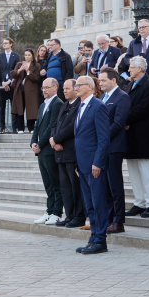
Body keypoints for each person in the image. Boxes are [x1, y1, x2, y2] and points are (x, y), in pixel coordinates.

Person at [73, 76, 111, 255]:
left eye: (78, 85)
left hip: (94, 165)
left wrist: (98, 162)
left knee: (98, 202)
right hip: (83, 164)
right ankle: (93, 237)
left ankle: (100, 240)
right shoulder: (80, 106)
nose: (76, 88)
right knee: (89, 203)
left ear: (89, 87)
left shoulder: (98, 106)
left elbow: (103, 138)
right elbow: (79, 137)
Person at [122, 57, 149, 219]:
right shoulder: (131, 84)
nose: (129, 70)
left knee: (145, 170)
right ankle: (139, 203)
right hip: (131, 134)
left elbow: (143, 108)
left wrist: (125, 119)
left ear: (140, 69)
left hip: (143, 134)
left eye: (131, 67)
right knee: (133, 170)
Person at [97, 67, 131, 233]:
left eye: (103, 80)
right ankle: (108, 218)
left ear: (113, 80)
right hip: (103, 147)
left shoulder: (122, 97)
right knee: (106, 186)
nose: (100, 83)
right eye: (99, 80)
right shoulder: (102, 97)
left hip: (114, 146)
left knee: (115, 184)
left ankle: (118, 220)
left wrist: (102, 138)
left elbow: (118, 123)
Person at [50, 79, 86, 228]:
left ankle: (79, 216)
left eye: (67, 88)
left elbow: (73, 127)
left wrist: (57, 139)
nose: (64, 91)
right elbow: (55, 124)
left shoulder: (79, 105)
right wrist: (53, 140)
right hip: (60, 153)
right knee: (65, 188)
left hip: (71, 152)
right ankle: (69, 215)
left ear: (75, 89)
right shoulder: (64, 105)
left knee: (75, 187)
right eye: (63, 89)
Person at [31, 78, 64, 225]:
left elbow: (52, 126)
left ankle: (57, 212)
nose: (44, 90)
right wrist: (33, 142)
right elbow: (37, 125)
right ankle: (49, 210)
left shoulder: (58, 104)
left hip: (49, 149)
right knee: (47, 183)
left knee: (55, 182)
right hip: (41, 150)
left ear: (55, 88)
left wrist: (40, 143)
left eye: (47, 87)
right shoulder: (43, 104)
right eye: (43, 88)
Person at [10, 48, 42, 132]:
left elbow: (36, 78)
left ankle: (31, 127)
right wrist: (20, 70)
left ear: (32, 56)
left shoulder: (36, 65)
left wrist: (28, 72)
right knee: (19, 108)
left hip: (31, 90)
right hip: (20, 89)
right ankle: (20, 128)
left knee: (31, 108)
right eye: (26, 55)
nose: (27, 57)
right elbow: (13, 74)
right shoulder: (19, 64)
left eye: (29, 55)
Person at [0, 38, 21, 133]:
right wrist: (3, 82)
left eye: (6, 43)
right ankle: (2, 127)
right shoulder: (0, 56)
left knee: (13, 107)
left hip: (12, 84)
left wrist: (10, 81)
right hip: (2, 85)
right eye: (3, 43)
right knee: (1, 107)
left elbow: (17, 69)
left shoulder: (16, 56)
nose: (4, 45)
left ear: (11, 44)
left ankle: (14, 127)